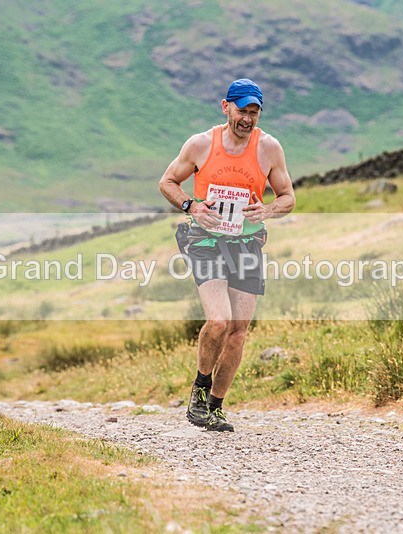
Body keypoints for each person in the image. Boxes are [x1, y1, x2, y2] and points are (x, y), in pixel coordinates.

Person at [158, 78, 296, 432]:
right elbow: (168, 181)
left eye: (254, 112)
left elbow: (288, 197)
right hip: (205, 241)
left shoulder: (269, 148)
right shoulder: (201, 144)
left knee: (238, 330)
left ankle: (215, 407)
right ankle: (199, 392)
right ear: (226, 107)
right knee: (219, 321)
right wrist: (192, 206)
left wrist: (266, 210)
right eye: (241, 110)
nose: (247, 119)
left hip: (247, 244)